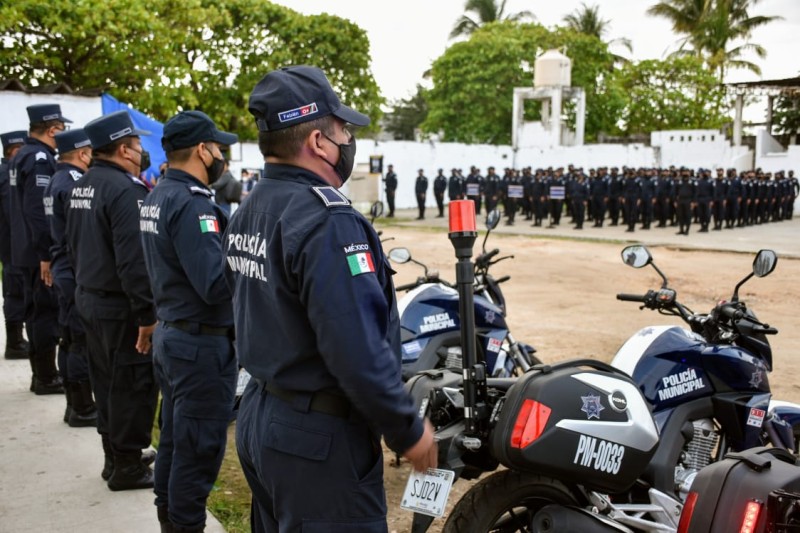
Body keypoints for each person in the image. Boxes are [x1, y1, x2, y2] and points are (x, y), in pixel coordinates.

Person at [226, 65, 436, 531]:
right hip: (316, 439)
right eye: (343, 129)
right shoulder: (328, 220)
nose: (348, 140)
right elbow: (354, 346)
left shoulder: (250, 209)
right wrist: (407, 427)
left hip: (264, 417)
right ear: (319, 142)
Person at [140, 111, 239, 533]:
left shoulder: (159, 193)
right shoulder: (194, 203)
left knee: (176, 445)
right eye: (219, 147)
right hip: (199, 346)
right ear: (203, 149)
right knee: (196, 455)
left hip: (174, 335)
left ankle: (170, 518)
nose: (221, 156)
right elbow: (215, 285)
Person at [65, 110, 158, 491]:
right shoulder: (125, 190)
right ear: (124, 150)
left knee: (105, 381)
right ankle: (128, 466)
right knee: (132, 385)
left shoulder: (84, 184)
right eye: (138, 146)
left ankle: (115, 455)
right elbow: (134, 262)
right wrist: (146, 314)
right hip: (119, 307)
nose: (141, 152)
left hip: (89, 296)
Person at [9, 104, 67, 394]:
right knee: (44, 313)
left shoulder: (24, 155)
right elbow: (38, 209)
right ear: (52, 129)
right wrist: (46, 254)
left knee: (35, 312)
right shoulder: (41, 158)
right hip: (38, 253)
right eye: (61, 129)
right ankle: (46, 376)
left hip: (24, 248)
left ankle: (40, 375)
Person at [44, 128, 97, 427]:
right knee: (78, 341)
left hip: (62, 265)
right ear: (82, 153)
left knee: (69, 339)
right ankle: (82, 407)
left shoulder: (55, 179)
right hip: (73, 268)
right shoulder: (74, 183)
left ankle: (73, 403)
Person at [0, 130, 29, 359]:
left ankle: (17, 340)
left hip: (10, 242)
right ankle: (15, 342)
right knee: (15, 292)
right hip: (12, 243)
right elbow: (13, 213)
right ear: (14, 151)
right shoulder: (6, 174)